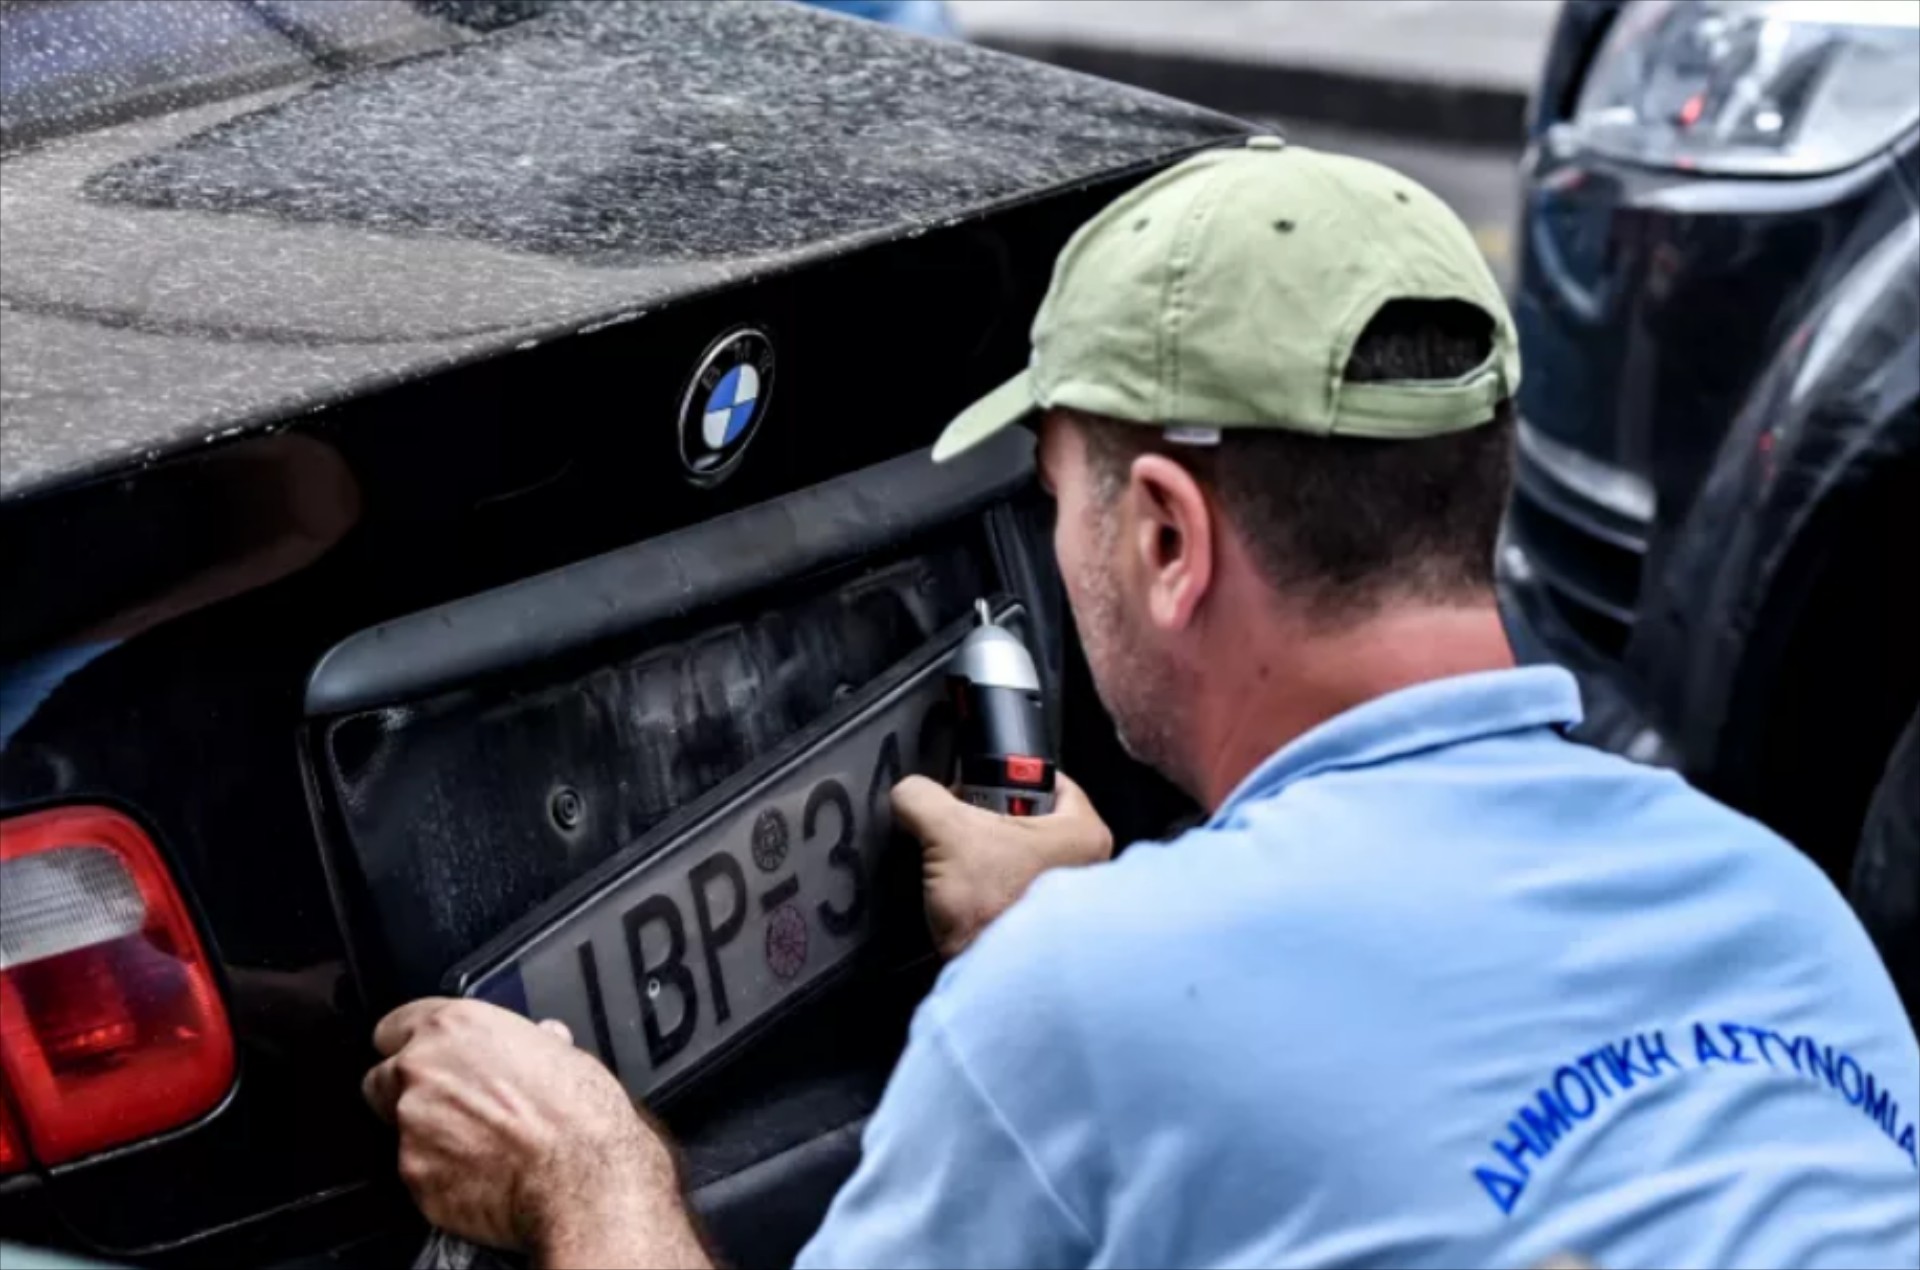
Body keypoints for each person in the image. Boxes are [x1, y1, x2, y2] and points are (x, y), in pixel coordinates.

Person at [361, 139, 1920, 1269]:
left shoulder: (1084, 1008)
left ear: (1167, 536)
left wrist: (585, 1171)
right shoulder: (1784, 910)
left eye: (1057, 496)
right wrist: (1113, 922)